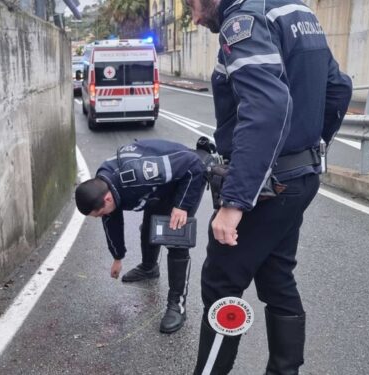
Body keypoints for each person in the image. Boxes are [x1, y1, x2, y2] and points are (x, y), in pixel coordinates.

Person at [184, 0, 353, 373]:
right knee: (277, 276)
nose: (194, 17)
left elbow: (266, 108)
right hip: (300, 178)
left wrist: (234, 203)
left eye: (191, 3)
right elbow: (339, 89)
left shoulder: (243, 20)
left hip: (267, 186)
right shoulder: (298, 13)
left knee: (221, 284)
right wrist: (306, 149)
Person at [75, 139, 207, 333]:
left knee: (175, 239)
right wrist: (117, 257)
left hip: (185, 178)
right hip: (157, 189)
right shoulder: (103, 184)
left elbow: (193, 165)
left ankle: (177, 305)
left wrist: (182, 206)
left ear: (107, 199)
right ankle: (149, 268)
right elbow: (111, 221)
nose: (100, 217)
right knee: (149, 227)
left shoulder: (139, 173)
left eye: (99, 213)